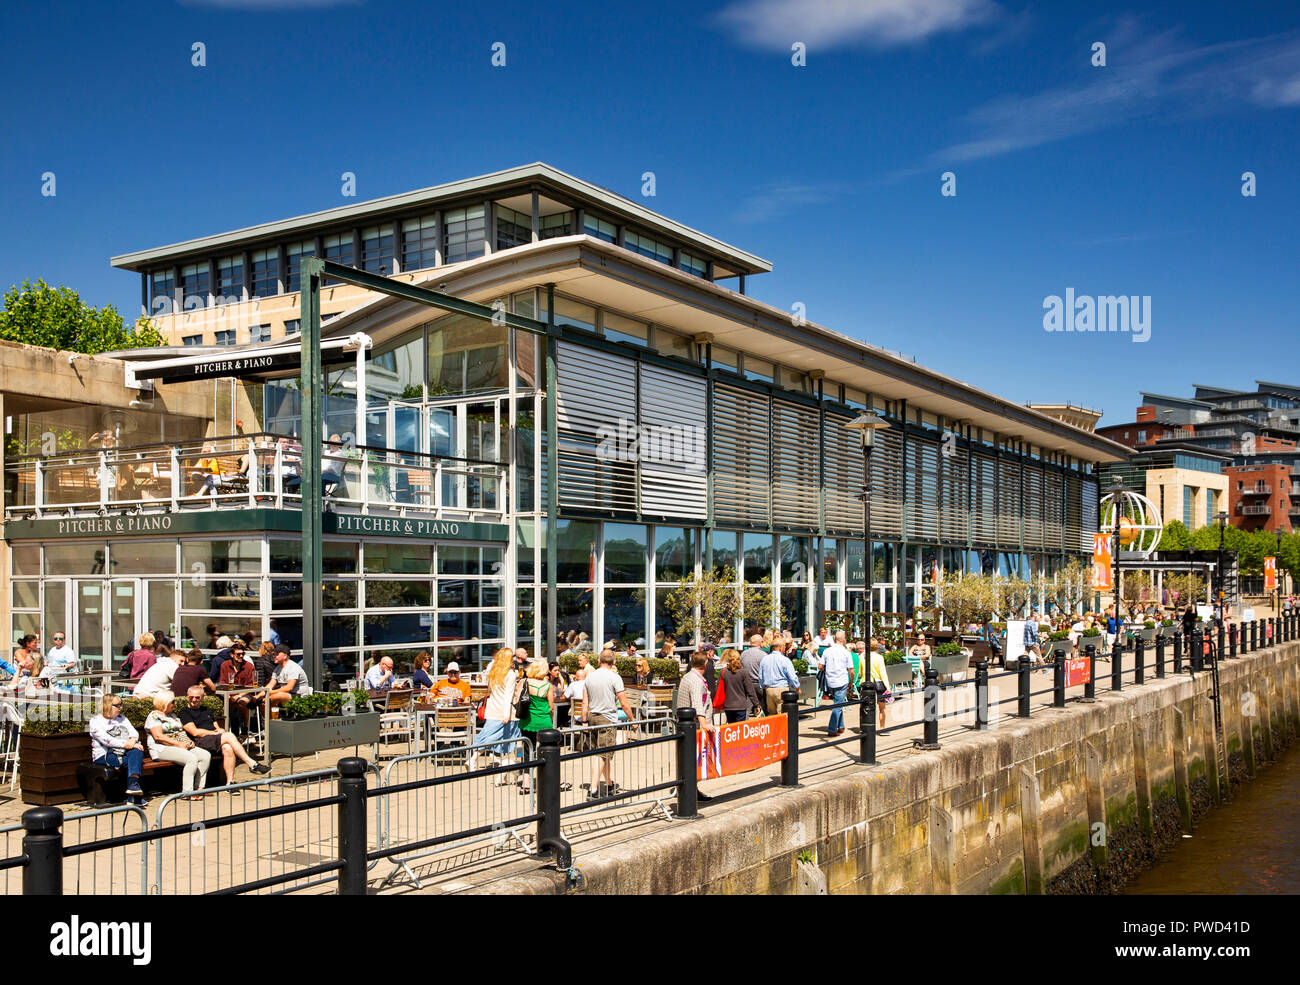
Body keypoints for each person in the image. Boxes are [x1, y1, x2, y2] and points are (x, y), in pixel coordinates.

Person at [178, 686, 269, 780]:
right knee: (229, 736)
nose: (193, 700)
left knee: (228, 748)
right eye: (191, 697)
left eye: (197, 697)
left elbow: (216, 727)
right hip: (199, 741)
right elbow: (195, 732)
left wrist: (219, 731)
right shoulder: (185, 712)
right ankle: (251, 763)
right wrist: (215, 733)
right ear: (187, 697)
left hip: (213, 740)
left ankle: (230, 783)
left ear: (202, 697)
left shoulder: (207, 710)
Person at [581, 649, 637, 799]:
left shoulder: (589, 677)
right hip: (607, 718)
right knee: (602, 754)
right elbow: (624, 702)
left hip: (593, 717)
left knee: (604, 754)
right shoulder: (615, 677)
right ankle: (593, 789)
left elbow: (585, 702)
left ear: (598, 661)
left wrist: (584, 721)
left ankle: (609, 783)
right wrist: (633, 720)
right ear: (613, 663)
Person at [145, 695, 211, 794]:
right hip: (161, 748)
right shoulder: (154, 716)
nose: (175, 704)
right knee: (191, 758)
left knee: (205, 755)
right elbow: (158, 737)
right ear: (165, 703)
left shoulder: (172, 715)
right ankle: (187, 792)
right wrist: (177, 744)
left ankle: (199, 788)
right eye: (173, 702)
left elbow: (180, 731)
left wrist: (188, 741)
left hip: (179, 745)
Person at [88, 694, 146, 804]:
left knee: (137, 751)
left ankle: (133, 787)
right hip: (104, 755)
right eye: (117, 705)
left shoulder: (122, 718)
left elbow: (133, 732)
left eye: (121, 704)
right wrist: (128, 744)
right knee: (134, 760)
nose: (121, 708)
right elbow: (107, 740)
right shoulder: (95, 721)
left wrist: (133, 740)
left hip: (124, 751)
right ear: (108, 706)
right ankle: (134, 795)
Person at [468, 648, 520, 770]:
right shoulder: (510, 674)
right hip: (504, 710)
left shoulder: (493, 672)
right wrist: (506, 713)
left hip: (492, 708)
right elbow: (508, 696)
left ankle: (475, 759)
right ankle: (517, 762)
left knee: (488, 734)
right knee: (515, 736)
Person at [218, 647, 258, 736]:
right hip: (230, 693)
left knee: (241, 702)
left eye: (242, 654)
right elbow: (223, 683)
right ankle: (232, 732)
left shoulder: (249, 666)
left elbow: (252, 685)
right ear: (232, 655)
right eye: (238, 654)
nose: (241, 656)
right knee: (229, 703)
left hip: (246, 693)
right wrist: (228, 696)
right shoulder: (225, 665)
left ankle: (245, 727)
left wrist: (239, 695)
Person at [821, 630, 853, 737]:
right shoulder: (846, 653)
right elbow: (851, 670)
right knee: (838, 705)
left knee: (838, 702)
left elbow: (820, 666)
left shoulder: (827, 651)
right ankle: (832, 729)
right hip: (841, 680)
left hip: (830, 680)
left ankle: (841, 726)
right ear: (843, 640)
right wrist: (851, 682)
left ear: (835, 639)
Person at [758, 638, 800, 715]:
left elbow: (761, 676)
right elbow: (792, 676)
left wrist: (763, 687)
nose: (785, 648)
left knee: (771, 715)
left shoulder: (765, 659)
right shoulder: (785, 660)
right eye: (784, 646)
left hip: (769, 690)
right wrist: (797, 687)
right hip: (782, 689)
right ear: (780, 647)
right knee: (782, 715)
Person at [718, 647, 760, 723]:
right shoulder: (744, 672)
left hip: (728, 705)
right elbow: (750, 691)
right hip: (741, 705)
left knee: (731, 729)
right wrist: (756, 704)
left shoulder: (723, 672)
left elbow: (719, 689)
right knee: (739, 730)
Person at [867, 641, 893, 727]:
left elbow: (860, 672)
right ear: (877, 647)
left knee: (867, 707)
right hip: (878, 684)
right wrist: (888, 687)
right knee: (882, 708)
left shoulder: (862, 656)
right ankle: (882, 727)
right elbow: (883, 673)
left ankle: (868, 727)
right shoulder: (879, 657)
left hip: (866, 684)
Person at [739, 634, 766, 713]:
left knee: (746, 710)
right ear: (761, 643)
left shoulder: (743, 654)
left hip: (747, 684)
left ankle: (745, 724)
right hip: (759, 684)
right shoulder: (763, 655)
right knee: (764, 709)